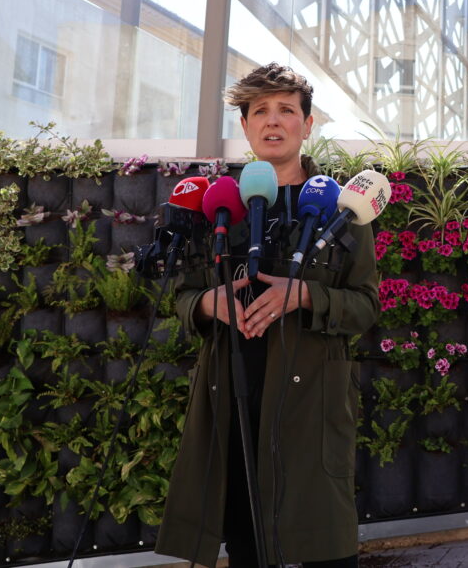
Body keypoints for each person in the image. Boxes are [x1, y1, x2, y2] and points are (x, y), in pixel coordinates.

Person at [156, 63, 379, 568]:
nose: (273, 121)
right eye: (260, 111)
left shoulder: (343, 208)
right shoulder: (216, 207)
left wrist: (304, 297)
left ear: (307, 123)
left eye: (286, 110)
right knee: (247, 546)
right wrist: (209, 303)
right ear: (245, 125)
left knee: (325, 548)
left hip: (311, 404)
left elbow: (366, 305)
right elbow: (185, 297)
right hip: (233, 400)